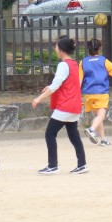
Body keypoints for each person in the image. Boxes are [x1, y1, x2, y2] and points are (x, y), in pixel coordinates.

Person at [31, 35, 89, 175]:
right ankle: (82, 164)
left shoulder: (63, 65)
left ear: (61, 49)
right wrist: (50, 87)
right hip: (74, 104)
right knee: (73, 135)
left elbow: (56, 85)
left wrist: (38, 99)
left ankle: (53, 165)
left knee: (50, 134)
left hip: (65, 105)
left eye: (56, 46)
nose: (55, 49)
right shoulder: (74, 63)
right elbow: (66, 83)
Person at [80, 37, 112, 146]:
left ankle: (103, 139)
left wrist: (76, 95)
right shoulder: (104, 61)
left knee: (98, 117)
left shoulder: (83, 62)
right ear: (99, 49)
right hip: (101, 93)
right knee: (102, 116)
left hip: (88, 94)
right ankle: (91, 130)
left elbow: (79, 80)